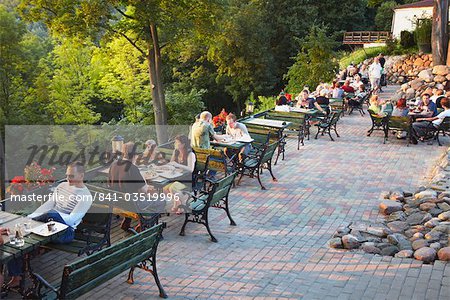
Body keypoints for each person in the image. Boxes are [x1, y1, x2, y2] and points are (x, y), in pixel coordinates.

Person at [8, 162, 93, 288]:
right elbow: (48, 204)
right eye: (67, 175)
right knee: (17, 237)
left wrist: (50, 215)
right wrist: (31, 217)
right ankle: (16, 276)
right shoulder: (62, 186)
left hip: (65, 232)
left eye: (72, 176)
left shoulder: (85, 196)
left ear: (81, 176)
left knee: (51, 213)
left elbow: (71, 219)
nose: (68, 178)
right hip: (49, 225)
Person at [109, 142, 152, 230]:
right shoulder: (133, 168)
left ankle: (126, 223)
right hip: (133, 205)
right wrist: (146, 184)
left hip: (116, 202)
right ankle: (144, 224)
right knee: (161, 202)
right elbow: (144, 191)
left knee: (129, 196)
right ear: (134, 155)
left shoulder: (113, 165)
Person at [164, 135, 196, 213]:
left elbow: (191, 169)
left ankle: (181, 204)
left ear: (183, 144)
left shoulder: (190, 154)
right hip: (177, 177)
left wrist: (178, 165)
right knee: (164, 188)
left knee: (172, 188)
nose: (175, 144)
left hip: (188, 179)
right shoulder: (176, 151)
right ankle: (179, 203)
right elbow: (171, 163)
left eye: (177, 142)